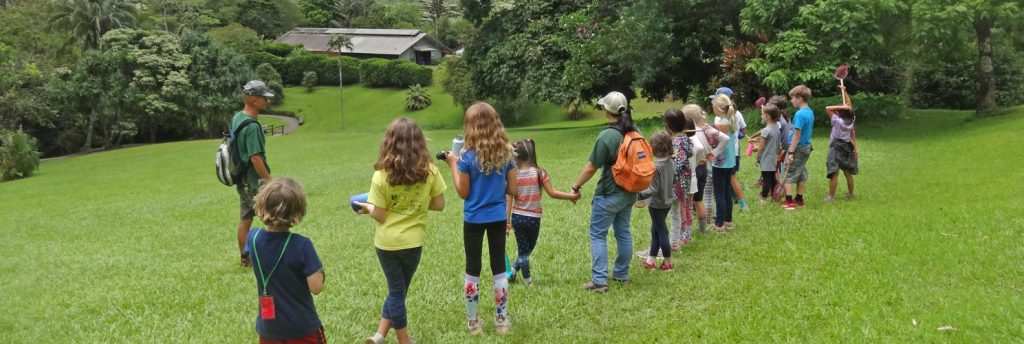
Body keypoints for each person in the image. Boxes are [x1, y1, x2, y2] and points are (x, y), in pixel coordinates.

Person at [357, 118, 447, 344]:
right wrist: (415, 204)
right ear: (419, 142)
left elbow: (380, 215)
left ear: (389, 142)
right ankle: (404, 340)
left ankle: (379, 335)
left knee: (397, 290)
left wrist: (368, 207)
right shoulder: (430, 171)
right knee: (398, 291)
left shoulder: (381, 175)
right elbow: (439, 204)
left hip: (386, 244)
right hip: (412, 243)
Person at [441, 102, 517, 335]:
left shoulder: (466, 158)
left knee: (473, 268)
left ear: (470, 127)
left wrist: (453, 164)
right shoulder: (507, 154)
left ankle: (474, 323)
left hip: (473, 219)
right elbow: (512, 189)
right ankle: (501, 321)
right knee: (499, 270)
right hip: (497, 217)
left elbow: (463, 192)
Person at [571, 91, 639, 293]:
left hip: (609, 193)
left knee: (598, 234)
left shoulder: (607, 136)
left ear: (606, 110)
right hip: (629, 192)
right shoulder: (633, 131)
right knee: (623, 232)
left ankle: (599, 281)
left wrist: (576, 186)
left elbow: (591, 167)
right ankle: (621, 274)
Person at [245, 178, 325, 343]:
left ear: (261, 206)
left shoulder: (253, 238)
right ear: (297, 213)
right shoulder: (302, 245)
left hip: (269, 330)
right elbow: (316, 288)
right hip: (302, 328)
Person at [505, 139, 580, 286]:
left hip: (518, 218)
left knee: (525, 250)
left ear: (516, 157)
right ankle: (528, 280)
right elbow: (552, 193)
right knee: (526, 250)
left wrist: (507, 222)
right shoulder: (540, 173)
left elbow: (509, 200)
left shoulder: (513, 175)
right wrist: (571, 196)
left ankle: (513, 271)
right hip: (533, 219)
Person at [236, 80, 274, 267]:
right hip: (254, 180)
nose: (267, 101)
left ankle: (245, 258)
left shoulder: (238, 117)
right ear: (252, 99)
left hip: (241, 179)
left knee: (246, 218)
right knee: (272, 217)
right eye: (263, 98)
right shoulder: (251, 126)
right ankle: (271, 255)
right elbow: (255, 158)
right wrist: (268, 181)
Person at [682, 105, 728, 233]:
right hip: (705, 166)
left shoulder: (690, 132)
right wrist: (714, 152)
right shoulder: (706, 129)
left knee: (689, 201)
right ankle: (703, 227)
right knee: (701, 199)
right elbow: (725, 138)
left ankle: (687, 231)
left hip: (694, 168)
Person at [638, 131, 675, 271]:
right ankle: (651, 260)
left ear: (652, 149)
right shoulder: (670, 162)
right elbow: (674, 180)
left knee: (662, 231)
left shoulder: (656, 167)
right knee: (655, 230)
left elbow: (653, 190)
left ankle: (667, 263)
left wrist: (638, 196)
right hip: (667, 202)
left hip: (656, 205)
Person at [710, 87, 749, 212]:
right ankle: (740, 203)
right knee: (731, 179)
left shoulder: (722, 120)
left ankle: (742, 204)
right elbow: (743, 130)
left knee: (728, 182)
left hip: (724, 156)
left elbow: (717, 138)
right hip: (733, 152)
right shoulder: (734, 115)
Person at [663, 109, 694, 248]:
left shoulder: (677, 142)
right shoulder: (685, 139)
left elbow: (678, 163)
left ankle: (676, 241)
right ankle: (677, 240)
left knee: (675, 212)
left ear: (668, 126)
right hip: (684, 182)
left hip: (677, 184)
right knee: (679, 210)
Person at [781, 85, 815, 210]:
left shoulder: (800, 114)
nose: (791, 100)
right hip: (806, 146)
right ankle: (799, 199)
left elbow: (797, 134)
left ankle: (789, 202)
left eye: (793, 98)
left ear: (800, 98)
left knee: (787, 172)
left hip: (798, 147)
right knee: (801, 172)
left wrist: (791, 152)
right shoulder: (809, 112)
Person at [710, 94, 739, 231]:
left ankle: (719, 223)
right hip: (730, 162)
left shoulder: (722, 124)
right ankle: (728, 220)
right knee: (727, 190)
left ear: (718, 108)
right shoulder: (730, 120)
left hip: (720, 163)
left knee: (719, 193)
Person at [824, 85, 858, 201]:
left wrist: (842, 106)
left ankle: (831, 196)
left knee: (834, 172)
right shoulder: (851, 120)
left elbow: (828, 108)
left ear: (839, 112)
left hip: (836, 146)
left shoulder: (837, 121)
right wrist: (844, 91)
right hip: (847, 146)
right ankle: (850, 194)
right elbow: (850, 105)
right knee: (847, 172)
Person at [752, 104, 782, 203]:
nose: (761, 116)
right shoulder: (776, 128)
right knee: (772, 178)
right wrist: (778, 154)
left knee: (766, 180)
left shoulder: (766, 130)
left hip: (766, 159)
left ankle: (763, 198)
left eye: (762, 115)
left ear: (768, 116)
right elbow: (777, 143)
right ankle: (774, 196)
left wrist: (757, 158)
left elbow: (762, 147)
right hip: (773, 158)